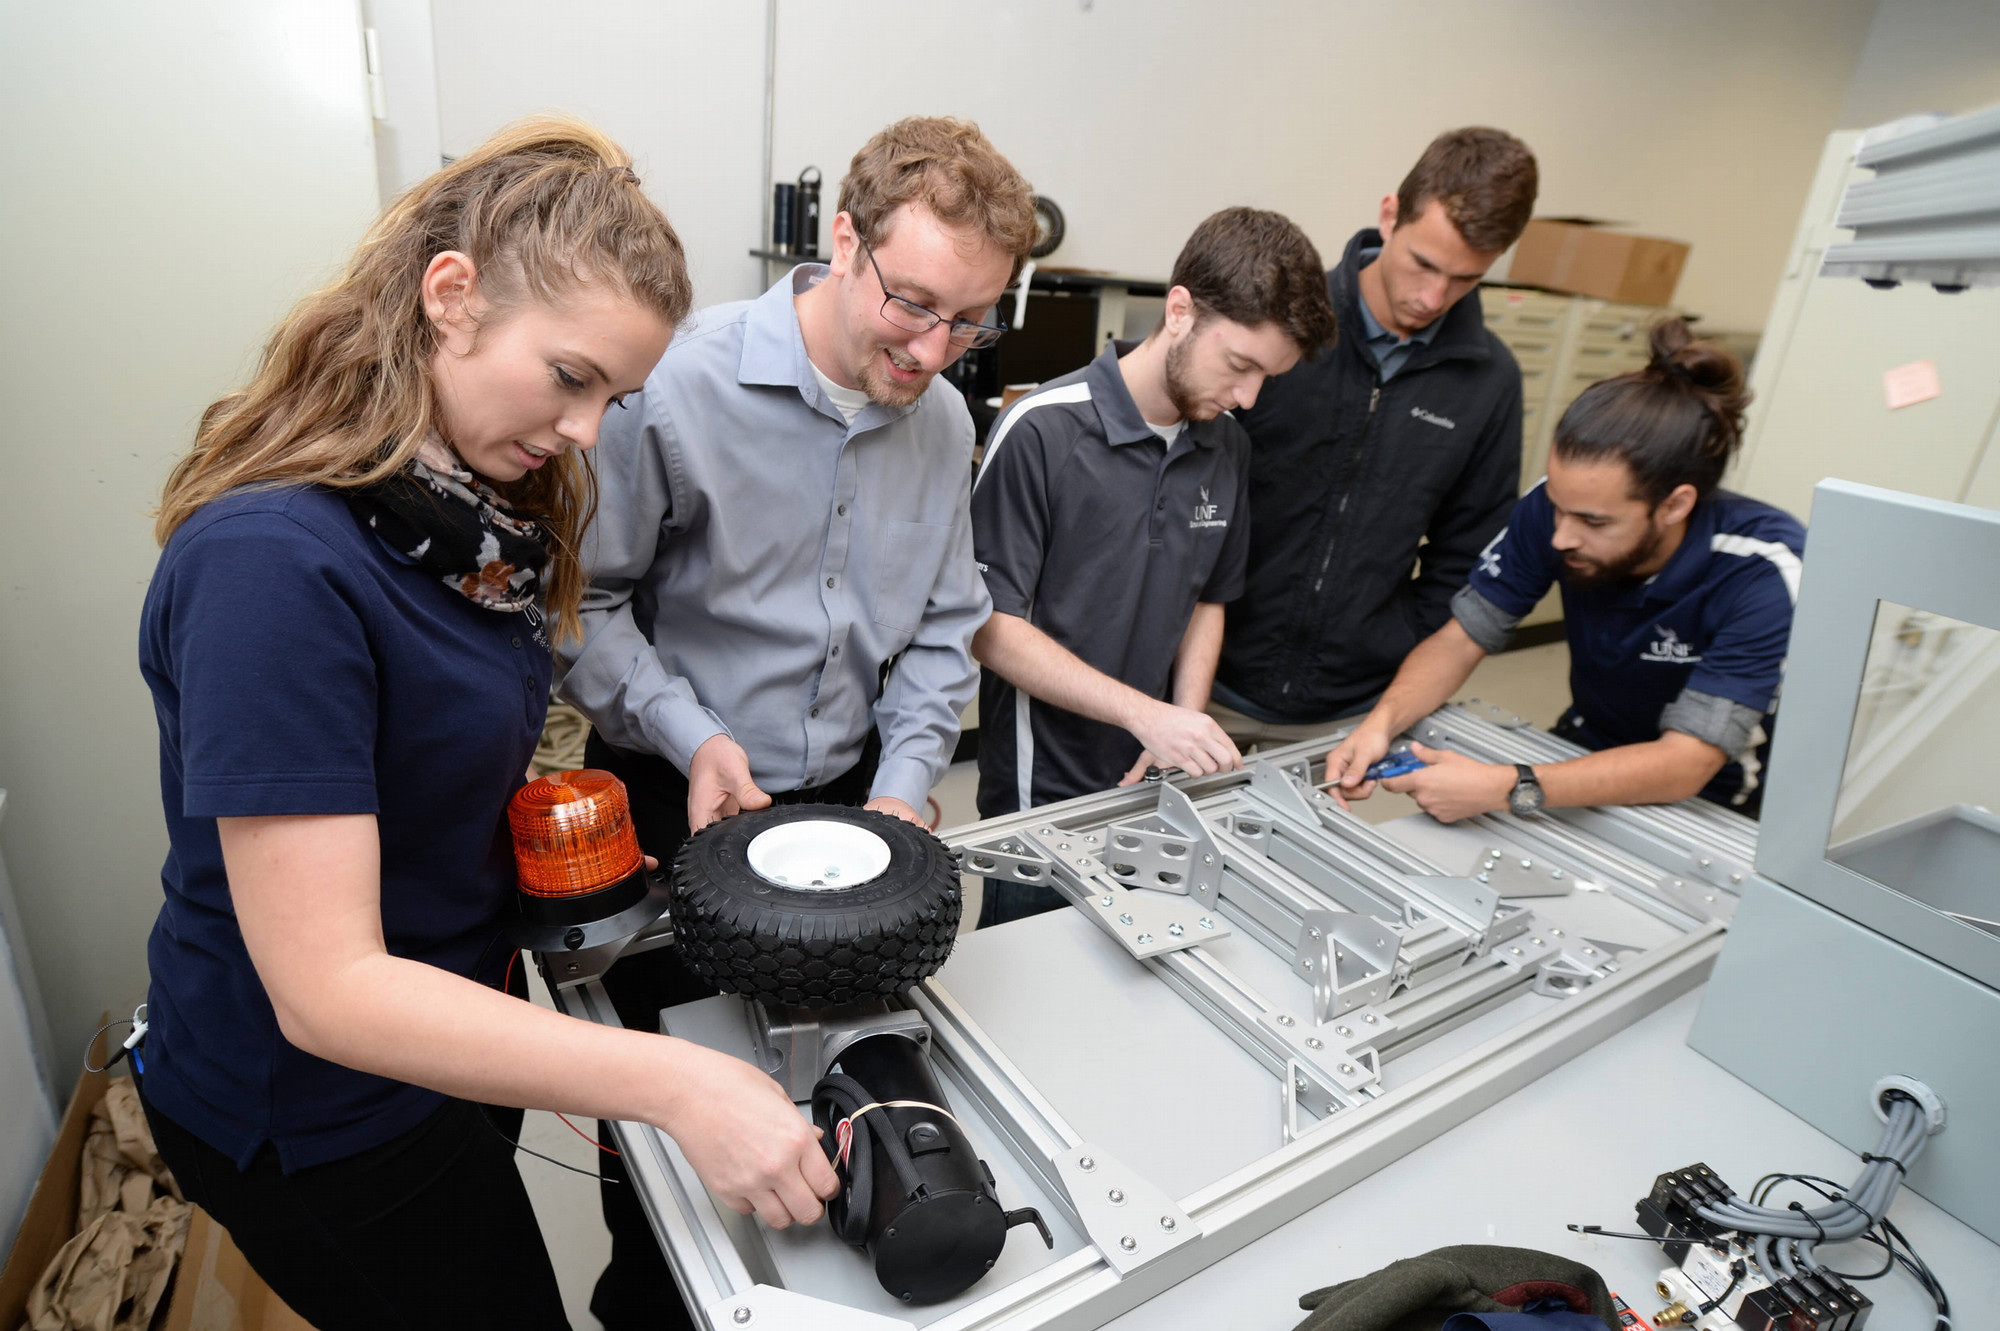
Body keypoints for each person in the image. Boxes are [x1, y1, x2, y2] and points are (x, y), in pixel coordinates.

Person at [133, 119, 846, 1331]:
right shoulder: (271, 564)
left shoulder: (468, 529)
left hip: (450, 1039)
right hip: (319, 1108)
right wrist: (678, 1083)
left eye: (612, 399)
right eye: (571, 378)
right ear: (449, 296)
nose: (584, 432)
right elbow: (331, 988)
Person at [556, 115, 1036, 1327]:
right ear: (840, 243)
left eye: (971, 320)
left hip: (859, 800)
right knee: (675, 1161)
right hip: (679, 789)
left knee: (850, 1088)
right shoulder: (672, 387)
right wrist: (690, 732)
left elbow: (943, 623)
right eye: (914, 304)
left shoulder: (944, 425)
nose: (934, 350)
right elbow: (585, 607)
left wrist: (910, 771)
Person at [968, 207, 1337, 924]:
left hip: (1150, 778)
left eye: (1270, 377)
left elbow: (1209, 598)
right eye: (1239, 365)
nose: (1250, 397)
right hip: (1043, 795)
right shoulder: (1043, 429)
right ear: (1179, 310)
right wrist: (1149, 715)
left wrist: (1184, 727)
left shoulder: (1227, 445)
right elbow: (989, 626)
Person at [1324, 319, 1803, 823]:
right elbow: (1461, 638)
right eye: (1558, 507)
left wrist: (1506, 787)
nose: (1561, 537)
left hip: (1710, 800)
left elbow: (1687, 762)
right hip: (1578, 753)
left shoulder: (1764, 571)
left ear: (1674, 505)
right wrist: (1381, 722)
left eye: (1594, 522)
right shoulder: (1554, 509)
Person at [1211, 127, 1540, 748]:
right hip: (1201, 686)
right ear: (1390, 216)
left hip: (1347, 713)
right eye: (1424, 263)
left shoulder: (1489, 381)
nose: (1432, 297)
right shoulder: (1281, 326)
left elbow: (1463, 559)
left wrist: (1392, 662)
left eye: (1466, 279)